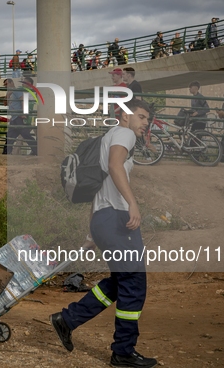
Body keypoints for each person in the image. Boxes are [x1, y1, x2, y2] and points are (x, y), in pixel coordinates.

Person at [50, 99, 157, 368]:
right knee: (134, 283)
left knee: (121, 281)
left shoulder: (106, 137)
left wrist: (91, 233)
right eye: (142, 117)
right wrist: (132, 203)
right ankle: (122, 351)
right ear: (125, 116)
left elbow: (99, 187)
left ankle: (69, 319)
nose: (145, 123)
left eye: (147, 119)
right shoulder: (124, 133)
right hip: (117, 218)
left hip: (102, 218)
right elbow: (115, 166)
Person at [1, 78, 37, 155]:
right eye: (4, 85)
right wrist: (8, 94)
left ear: (11, 83)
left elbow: (22, 100)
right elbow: (4, 103)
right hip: (14, 118)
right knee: (10, 136)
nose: (5, 86)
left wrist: (23, 113)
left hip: (19, 117)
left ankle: (37, 151)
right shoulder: (9, 92)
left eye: (7, 84)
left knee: (26, 136)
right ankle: (6, 153)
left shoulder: (17, 90)